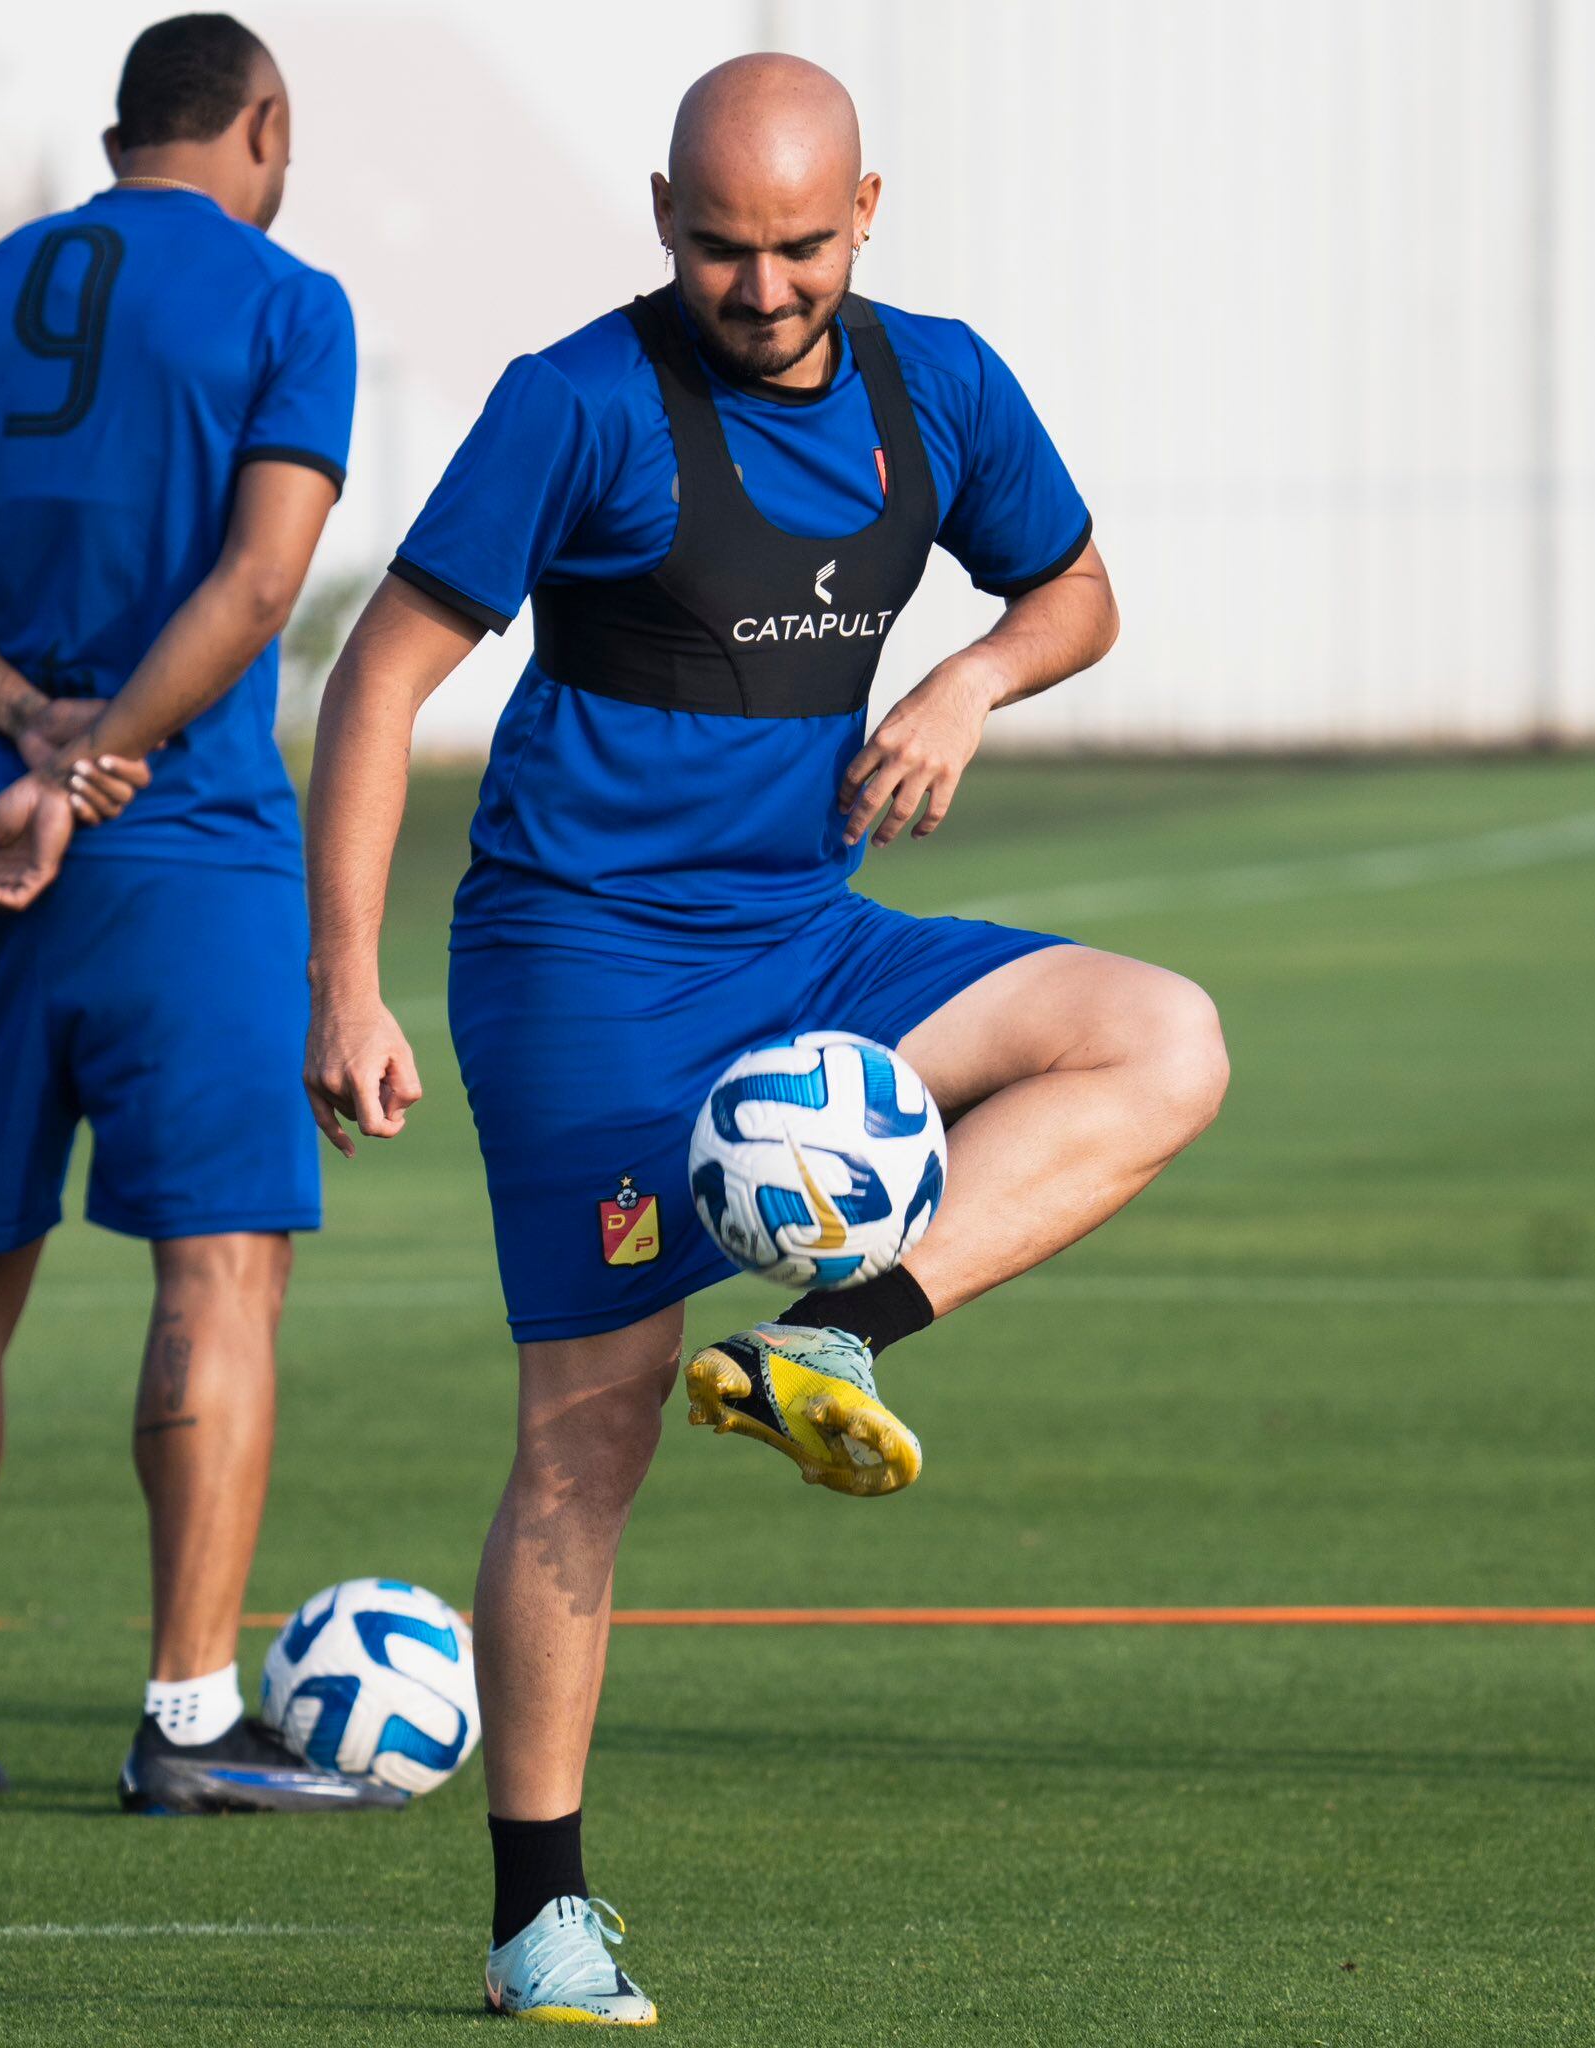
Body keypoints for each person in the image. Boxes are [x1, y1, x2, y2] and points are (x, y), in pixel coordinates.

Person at [304, 54, 1229, 2022]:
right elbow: (381, 680)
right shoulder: (575, 403)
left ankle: (830, 1335)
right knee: (592, 1432)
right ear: (662, 216)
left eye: (801, 243)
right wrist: (345, 982)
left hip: (807, 943)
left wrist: (973, 679)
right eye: (722, 244)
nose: (763, 283)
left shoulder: (939, 385)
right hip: (582, 970)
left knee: (1161, 1038)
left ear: (868, 212)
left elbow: (1075, 590)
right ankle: (537, 1917)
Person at [0, 13, 401, 1814]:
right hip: (184, 838)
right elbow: (263, 582)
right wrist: (98, 765)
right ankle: (191, 1722)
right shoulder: (288, 300)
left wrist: (19, 730)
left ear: (118, 130)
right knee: (216, 1272)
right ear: (261, 125)